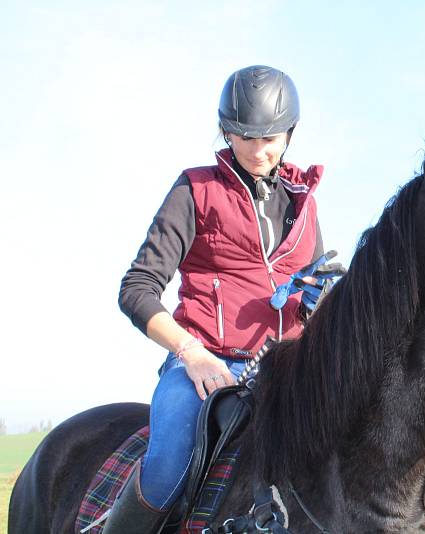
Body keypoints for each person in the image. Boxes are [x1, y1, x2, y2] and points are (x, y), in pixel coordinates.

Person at [107, 65, 332, 533]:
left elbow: (314, 307)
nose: (257, 150)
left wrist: (317, 300)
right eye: (243, 136)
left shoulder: (305, 207)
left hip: (286, 370)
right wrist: (191, 353)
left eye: (270, 137)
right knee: (168, 467)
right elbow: (137, 289)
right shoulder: (195, 189)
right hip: (202, 367)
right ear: (226, 131)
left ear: (290, 132)